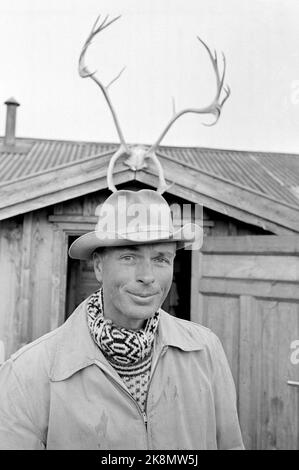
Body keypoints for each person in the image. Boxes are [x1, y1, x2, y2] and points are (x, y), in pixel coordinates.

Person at [0, 189, 244, 450]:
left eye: (161, 258)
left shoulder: (205, 351)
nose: (147, 276)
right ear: (98, 266)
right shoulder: (27, 374)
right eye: (129, 257)